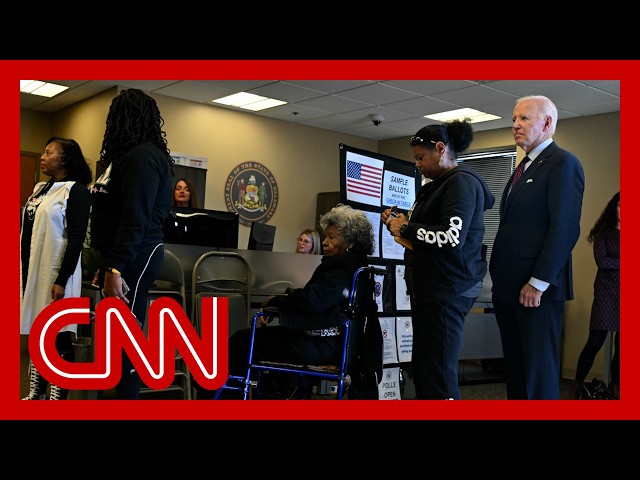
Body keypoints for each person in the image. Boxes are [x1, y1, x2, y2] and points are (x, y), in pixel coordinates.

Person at [211, 204, 374, 399]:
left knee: (241, 340)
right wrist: (289, 298)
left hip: (319, 345)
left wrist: (277, 301)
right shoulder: (358, 267)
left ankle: (223, 399)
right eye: (326, 236)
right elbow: (319, 299)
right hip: (336, 344)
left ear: (350, 242)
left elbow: (312, 302)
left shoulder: (340, 267)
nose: (325, 242)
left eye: (332, 237)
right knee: (260, 339)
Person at [382, 119, 495, 400]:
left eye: (421, 157)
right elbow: (425, 238)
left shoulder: (461, 184)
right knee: (425, 371)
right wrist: (401, 224)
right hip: (430, 290)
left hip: (447, 290)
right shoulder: (436, 186)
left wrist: (407, 228)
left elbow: (450, 237)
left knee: (439, 375)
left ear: (440, 149)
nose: (417, 164)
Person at [489, 95, 585, 400]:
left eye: (524, 118)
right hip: (509, 290)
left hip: (535, 292)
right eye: (514, 119)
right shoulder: (523, 168)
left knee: (537, 376)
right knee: (516, 373)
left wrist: (538, 282)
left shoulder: (562, 163)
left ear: (547, 123)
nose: (515, 125)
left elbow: (565, 228)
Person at [91, 88, 174, 399]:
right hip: (122, 255)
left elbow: (135, 218)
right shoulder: (123, 158)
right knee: (111, 338)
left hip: (137, 255)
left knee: (127, 339)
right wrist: (107, 263)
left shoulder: (143, 157)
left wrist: (116, 264)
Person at [20, 136, 93, 400]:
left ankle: (57, 396)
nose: (42, 156)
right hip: (33, 273)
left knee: (58, 336)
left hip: (57, 273)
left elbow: (76, 238)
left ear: (64, 159)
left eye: (48, 152)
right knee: (37, 334)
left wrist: (62, 278)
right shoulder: (40, 189)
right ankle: (36, 392)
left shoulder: (76, 191)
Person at [570, 191, 620, 399]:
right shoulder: (603, 233)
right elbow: (603, 262)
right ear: (614, 207)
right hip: (606, 294)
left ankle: (617, 390)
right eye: (621, 205)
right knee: (595, 342)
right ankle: (576, 387)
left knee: (623, 349)